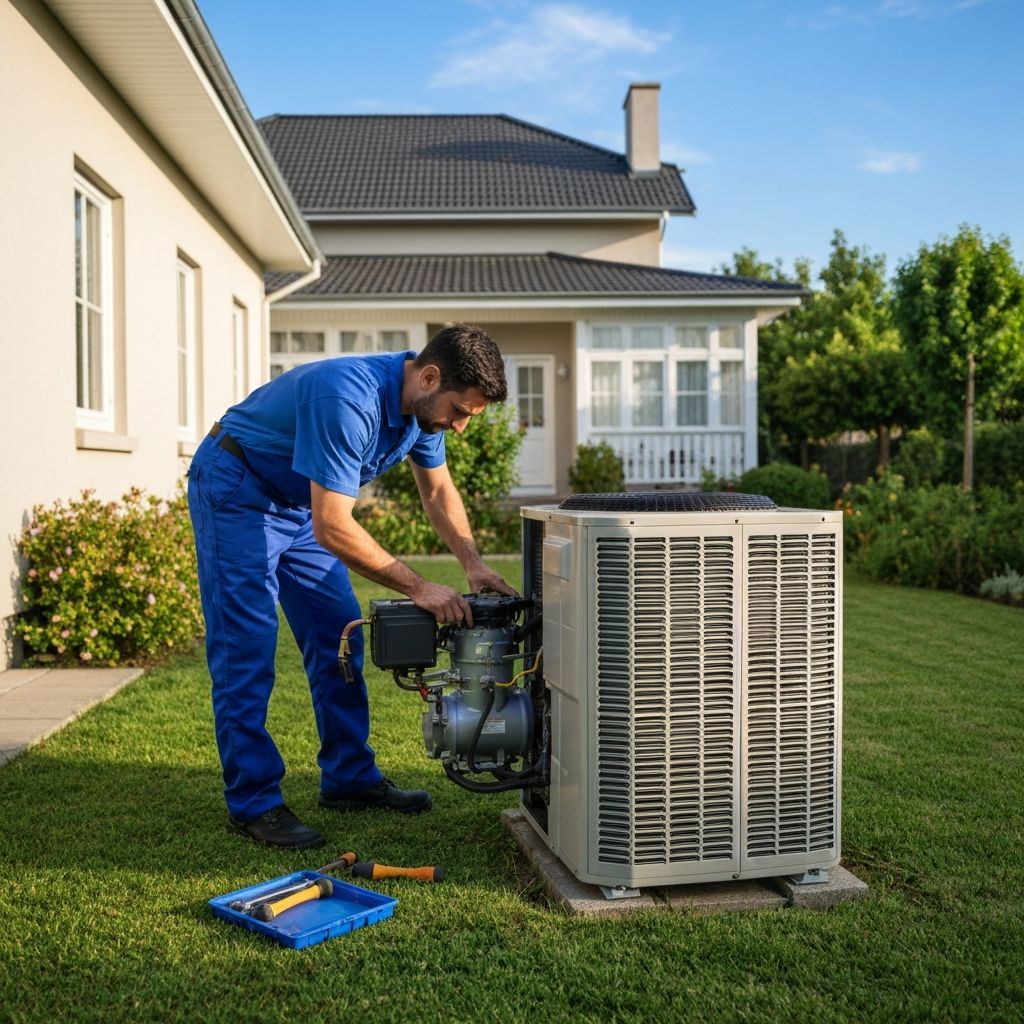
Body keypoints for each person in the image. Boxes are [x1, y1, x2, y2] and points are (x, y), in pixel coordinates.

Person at [187, 323, 516, 849]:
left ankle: (349, 778)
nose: (460, 427)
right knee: (245, 646)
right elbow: (334, 526)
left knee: (338, 635)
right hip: (239, 489)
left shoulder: (421, 408)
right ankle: (254, 803)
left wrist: (472, 563)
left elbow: (437, 490)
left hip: (297, 505)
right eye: (459, 412)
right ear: (430, 376)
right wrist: (418, 586)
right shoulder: (348, 398)